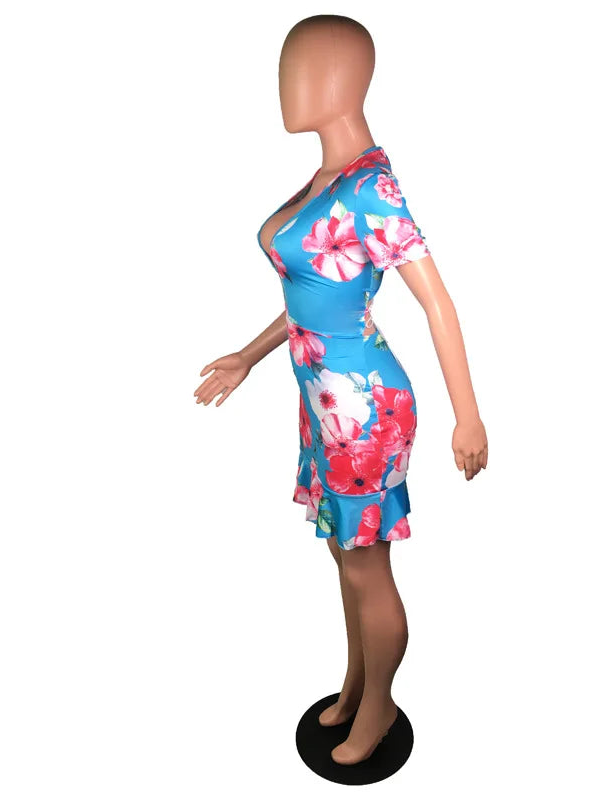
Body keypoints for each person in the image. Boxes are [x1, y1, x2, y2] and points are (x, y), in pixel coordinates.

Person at [194, 14, 488, 767]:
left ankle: (379, 709)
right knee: (342, 553)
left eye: (304, 67)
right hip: (323, 401)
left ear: (348, 79)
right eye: (286, 67)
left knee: (366, 566)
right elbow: (312, 298)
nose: (287, 85)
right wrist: (249, 356)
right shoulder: (329, 179)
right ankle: (358, 684)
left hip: (363, 409)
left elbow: (438, 303)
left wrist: (469, 418)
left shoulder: (371, 187)